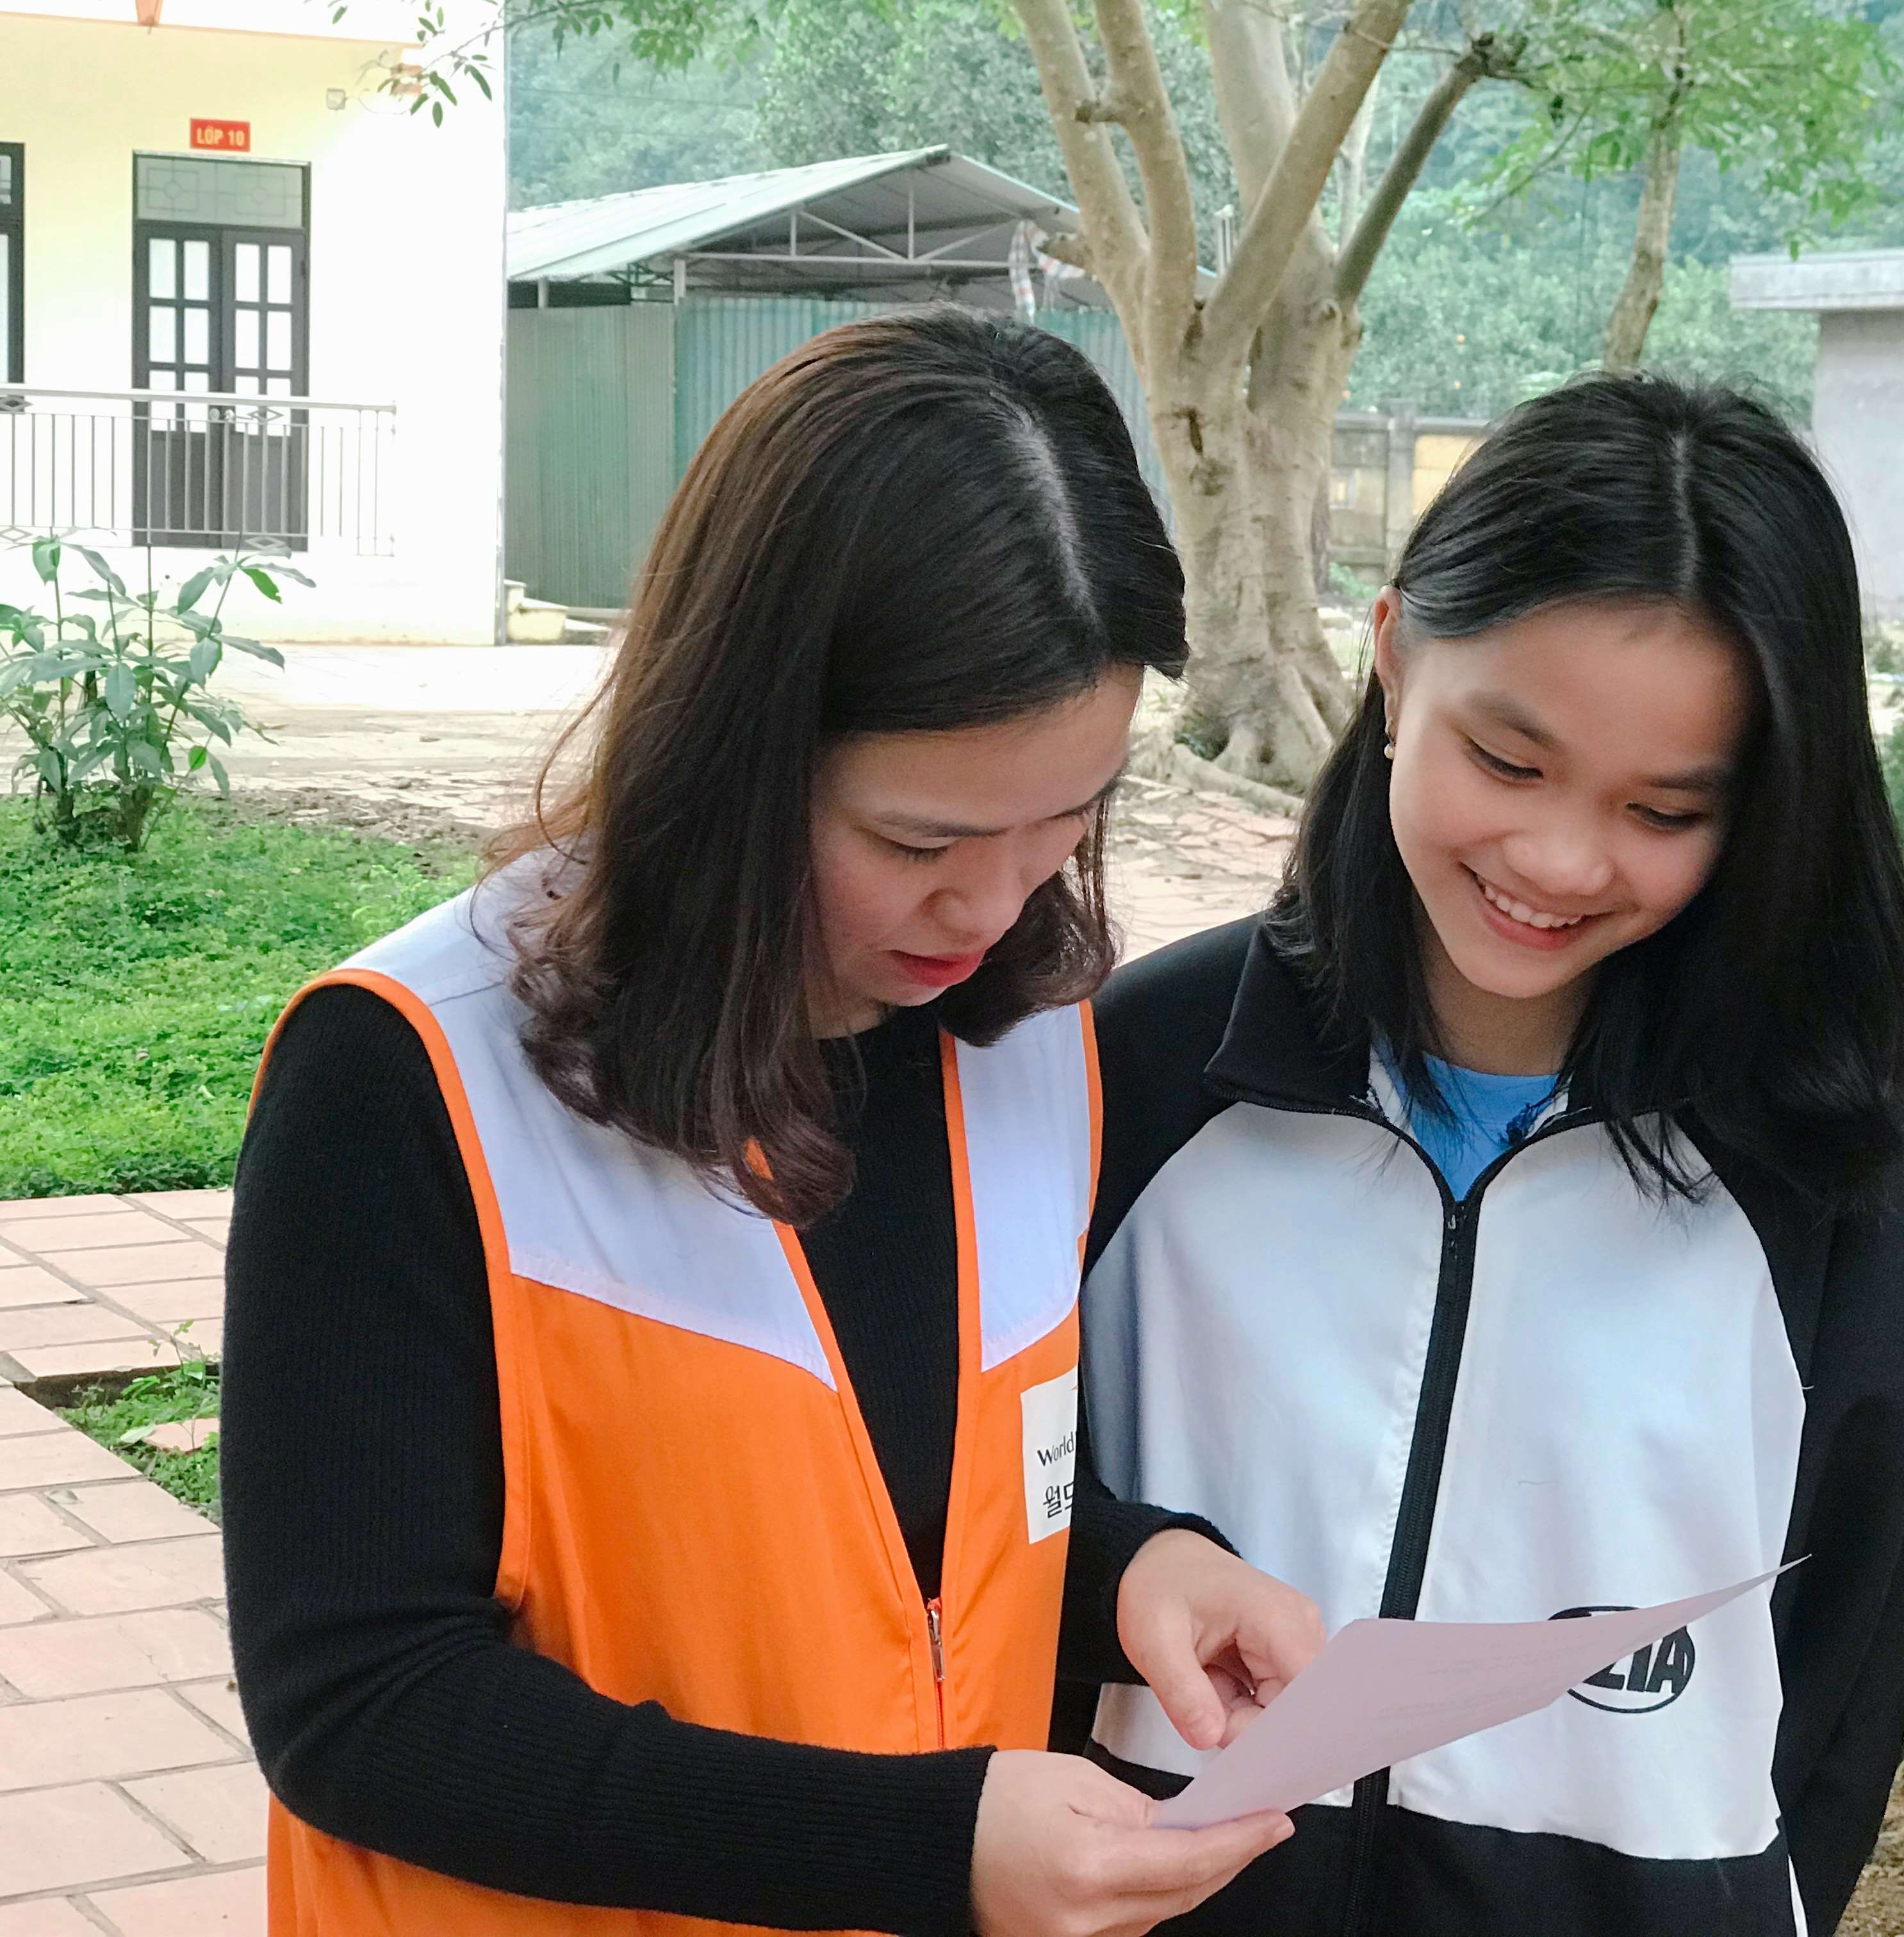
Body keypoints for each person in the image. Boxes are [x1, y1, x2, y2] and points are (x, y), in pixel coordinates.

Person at [220, 308, 1322, 1937]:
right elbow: (362, 1706)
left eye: (1068, 821)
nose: (998, 900)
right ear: (729, 751)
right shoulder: (412, 1082)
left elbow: (901, 1524)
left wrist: (1132, 1571)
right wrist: (921, 1846)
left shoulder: (1020, 1049)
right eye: (920, 834)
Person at [1074, 375, 1904, 1935]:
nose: (1560, 861)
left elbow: (1832, 1708)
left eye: (1663, 809)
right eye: (1507, 762)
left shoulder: (1848, 1189)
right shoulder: (1136, 1079)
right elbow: (962, 1529)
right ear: (1390, 658)